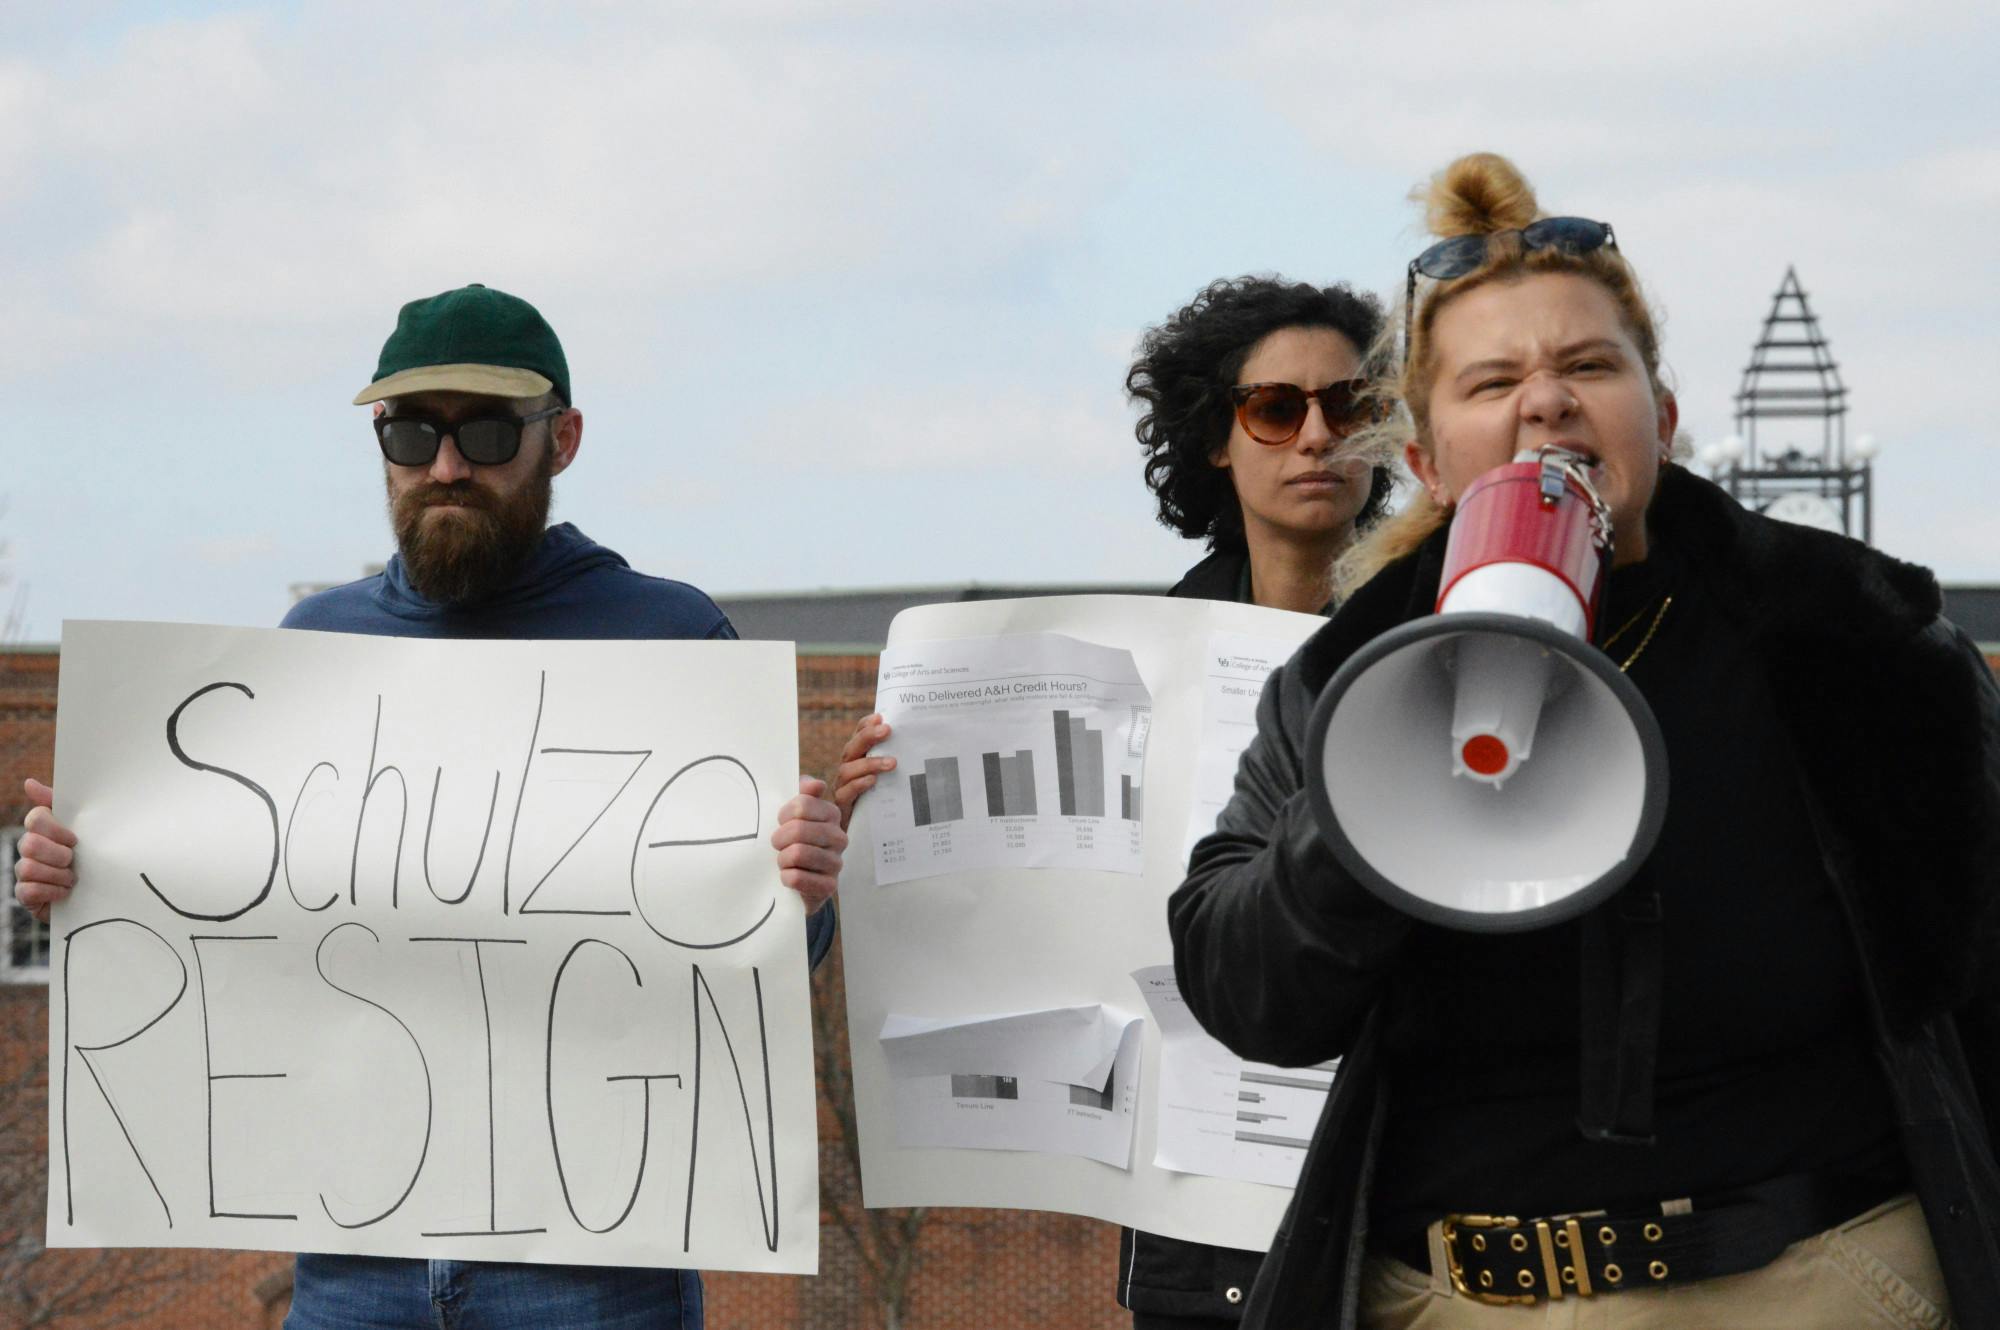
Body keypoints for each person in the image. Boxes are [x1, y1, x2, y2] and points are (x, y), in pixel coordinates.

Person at [1167, 152, 2000, 1329]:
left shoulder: (1852, 641)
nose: (1544, 402)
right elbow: (1244, 988)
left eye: (1587, 366)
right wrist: (1368, 804)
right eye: (1490, 379)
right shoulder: (1341, 679)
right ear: (1423, 459)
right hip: (1453, 1298)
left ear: (1657, 419)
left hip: (1805, 1285)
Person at [13, 282, 849, 1330]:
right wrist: (82, 881)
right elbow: (232, 919)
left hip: (588, 1266)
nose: (445, 465)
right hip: (355, 1260)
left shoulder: (667, 639)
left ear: (564, 438)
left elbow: (772, 959)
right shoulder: (313, 643)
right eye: (412, 433)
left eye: (487, 431)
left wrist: (806, 886)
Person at [832, 276, 1392, 1328]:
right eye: (1275, 408)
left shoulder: (1439, 645)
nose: (1316, 434)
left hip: (1388, 1194)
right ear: (1216, 440)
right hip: (1189, 1209)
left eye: (1350, 405)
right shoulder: (1131, 659)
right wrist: (878, 806)